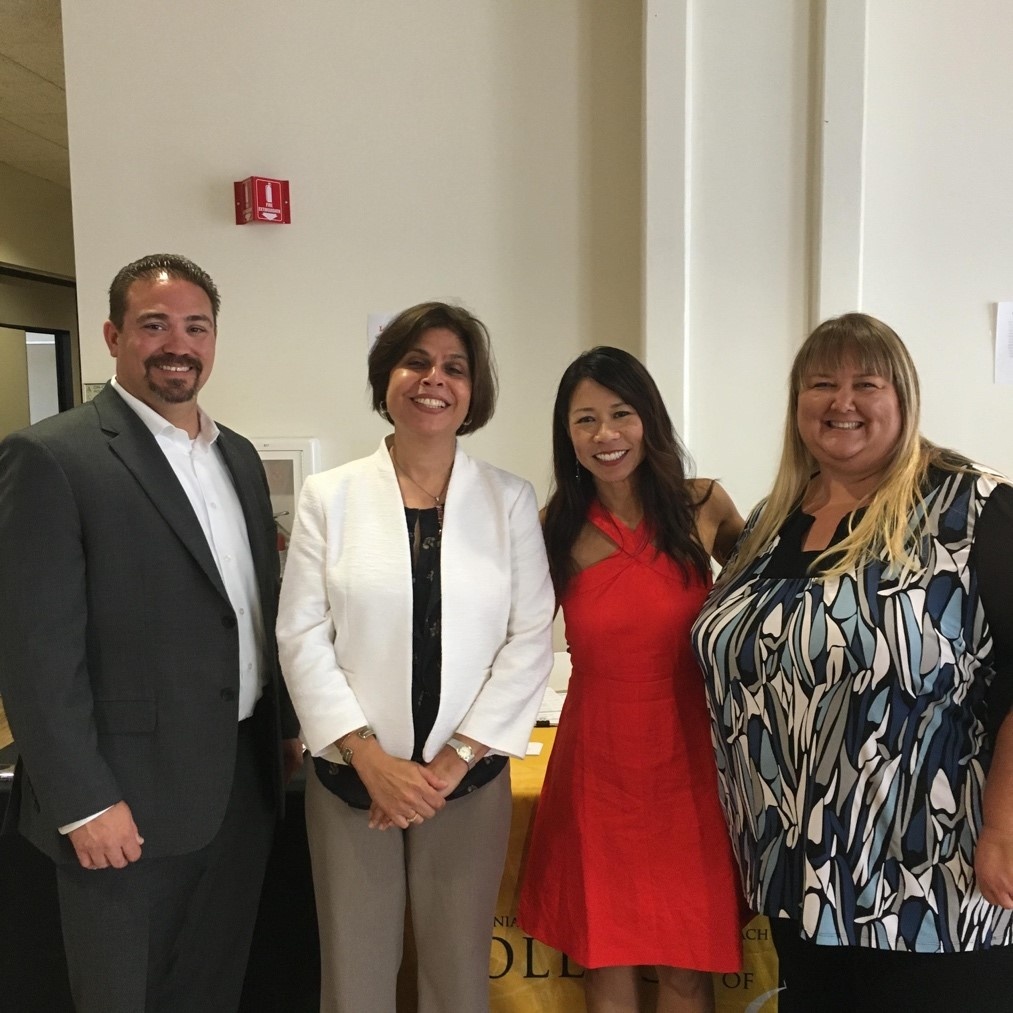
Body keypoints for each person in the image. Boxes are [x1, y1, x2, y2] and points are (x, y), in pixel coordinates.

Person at [0, 253, 302, 1013]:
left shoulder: (233, 453)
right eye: (154, 325)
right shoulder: (52, 457)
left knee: (210, 983)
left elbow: (251, 606)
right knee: (122, 995)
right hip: (123, 797)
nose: (178, 343)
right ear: (112, 334)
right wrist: (83, 800)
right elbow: (35, 652)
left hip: (239, 781)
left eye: (195, 326)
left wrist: (287, 725)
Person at [691, 313, 1013, 1012]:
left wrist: (1005, 827)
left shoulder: (975, 507)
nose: (841, 402)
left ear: (901, 397)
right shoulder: (770, 522)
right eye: (820, 384)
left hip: (933, 875)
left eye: (864, 383)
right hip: (797, 874)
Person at [275, 301, 554, 1013]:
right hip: (351, 781)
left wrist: (451, 761)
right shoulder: (327, 496)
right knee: (354, 972)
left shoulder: (509, 499)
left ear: (473, 390)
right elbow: (300, 633)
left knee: (457, 974)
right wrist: (370, 758)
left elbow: (529, 637)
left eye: (454, 367)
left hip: (464, 778)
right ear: (387, 377)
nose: (434, 379)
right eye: (416, 361)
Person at [517, 346, 744, 1013]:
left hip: (689, 762)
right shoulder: (551, 529)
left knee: (685, 964)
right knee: (605, 960)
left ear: (649, 417)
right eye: (585, 419)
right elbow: (509, 641)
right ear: (567, 435)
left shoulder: (702, 504)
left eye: (620, 413)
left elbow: (766, 601)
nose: (605, 434)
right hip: (598, 763)